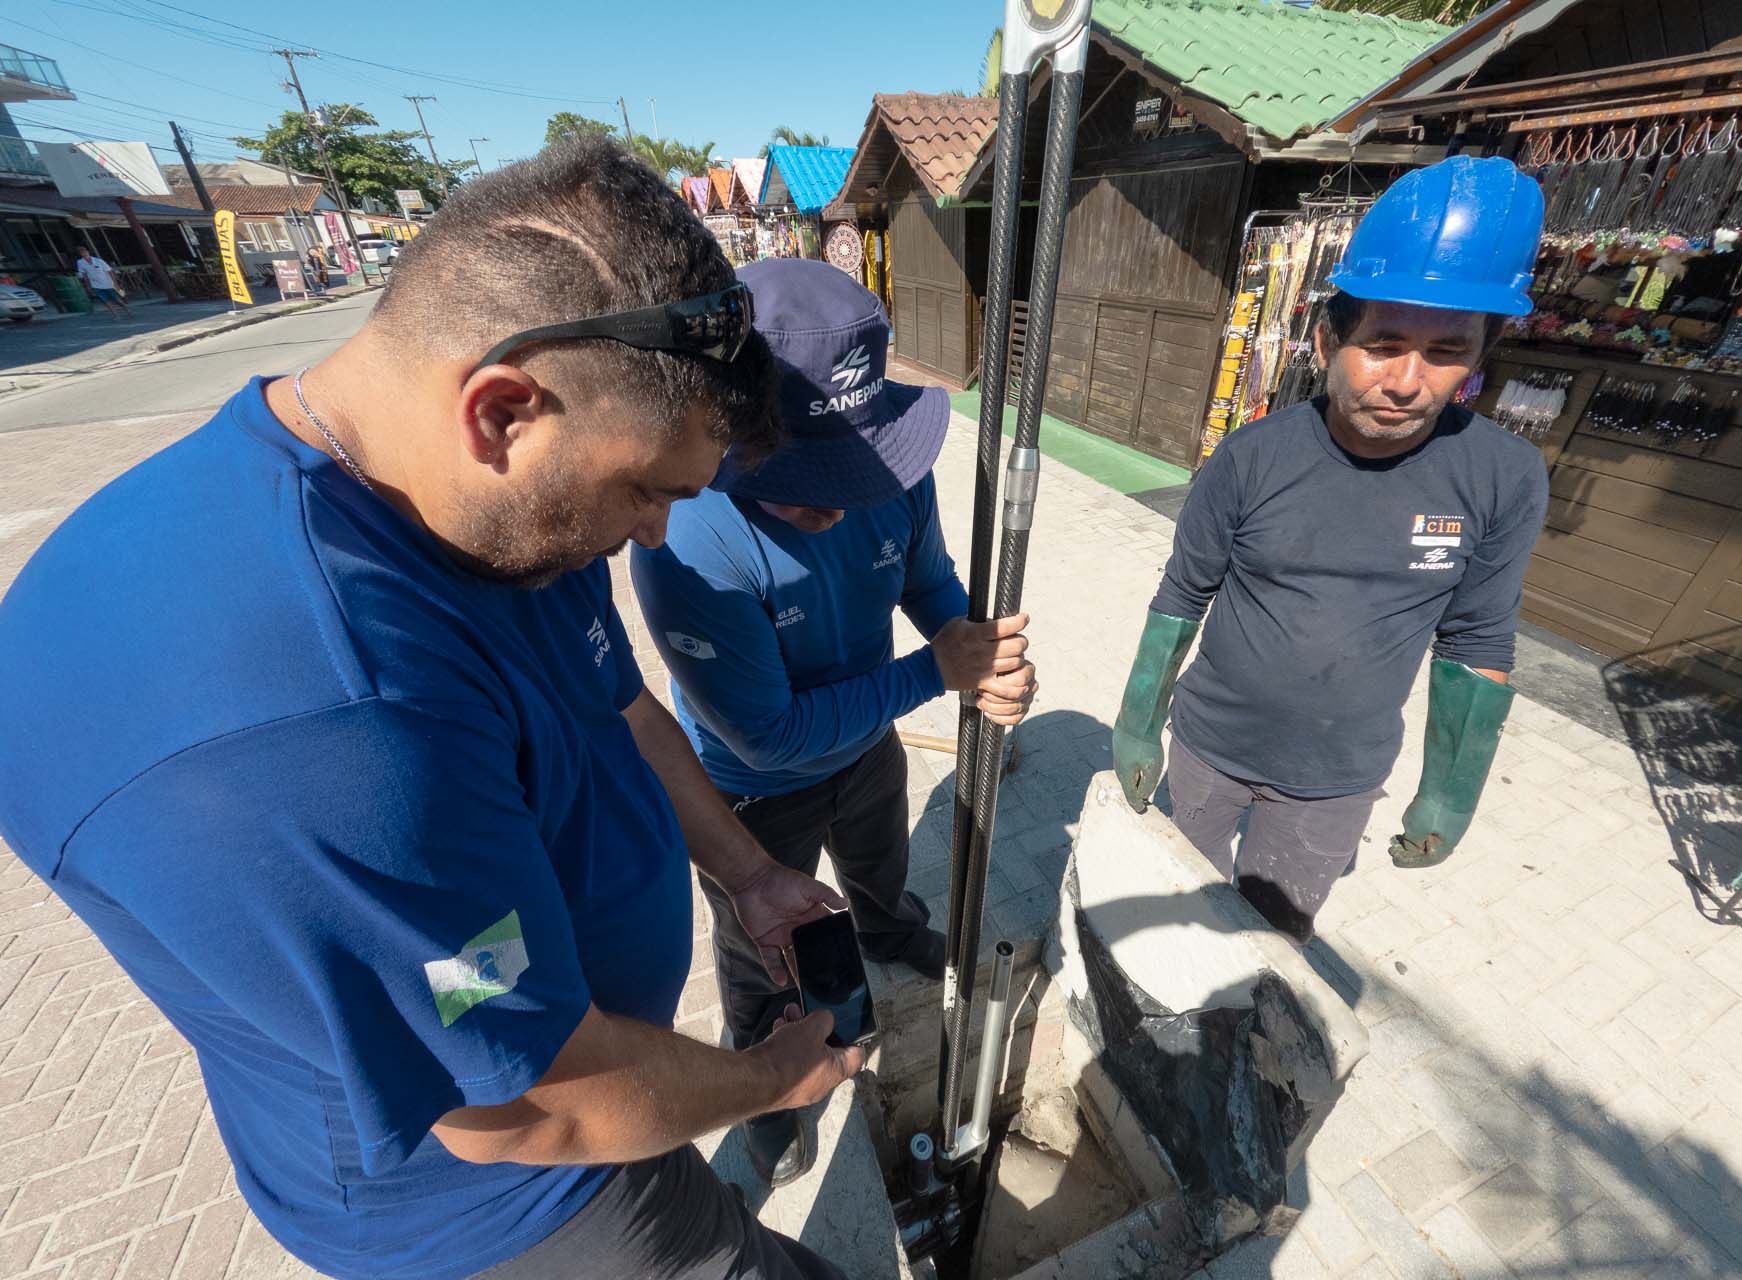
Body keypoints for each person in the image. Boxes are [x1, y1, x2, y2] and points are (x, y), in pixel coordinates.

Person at [0, 140, 864, 1280]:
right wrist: (769, 1079)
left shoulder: (494, 510)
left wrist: (748, 873)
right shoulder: (315, 729)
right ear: (503, 409)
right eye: (648, 492)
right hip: (504, 1206)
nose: (652, 535)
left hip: (597, 1099)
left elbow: (615, 698)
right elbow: (534, 1106)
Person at [630, 258, 1037, 1188]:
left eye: (846, 477)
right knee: (765, 950)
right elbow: (767, 735)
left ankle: (887, 931)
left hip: (869, 742)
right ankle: (769, 1085)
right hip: (752, 794)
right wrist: (935, 672)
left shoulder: (890, 472)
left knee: (879, 865)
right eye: (800, 481)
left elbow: (927, 580)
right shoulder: (689, 545)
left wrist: (977, 653)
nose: (831, 505)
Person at [1111, 155, 1551, 945]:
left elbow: (1478, 642)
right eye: (1384, 343)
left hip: (1336, 780)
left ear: (1478, 357)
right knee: (1176, 919)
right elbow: (1183, 592)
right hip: (1210, 747)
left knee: (1271, 946)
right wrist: (1139, 721)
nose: (1408, 380)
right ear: (1326, 341)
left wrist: (1451, 791)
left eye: (1446, 351)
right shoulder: (1250, 457)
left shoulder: (1504, 476)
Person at [75, 245, 133, 318]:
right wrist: (88, 286)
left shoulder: (98, 260)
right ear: (80, 254)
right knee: (105, 301)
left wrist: (115, 283)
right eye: (81, 253)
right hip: (96, 285)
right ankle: (116, 315)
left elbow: (109, 271)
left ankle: (127, 311)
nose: (84, 254)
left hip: (108, 283)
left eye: (84, 252)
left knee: (116, 300)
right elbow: (84, 275)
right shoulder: (80, 262)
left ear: (87, 252)